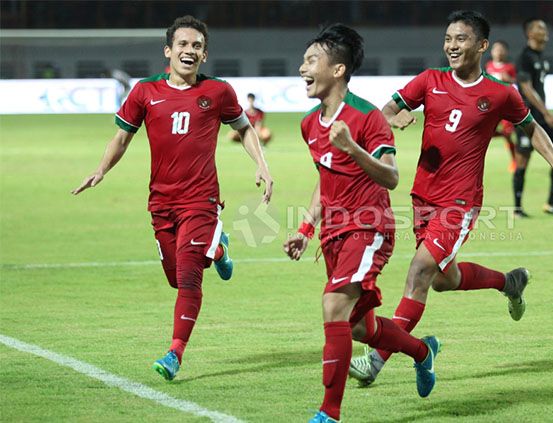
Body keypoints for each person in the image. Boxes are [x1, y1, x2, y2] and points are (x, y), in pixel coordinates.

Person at [348, 10, 553, 387]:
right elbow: (383, 111)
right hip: (423, 197)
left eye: (461, 39)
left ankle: (377, 359)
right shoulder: (429, 80)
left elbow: (532, 129)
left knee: (419, 271)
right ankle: (509, 282)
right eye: (448, 38)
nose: (452, 46)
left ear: (482, 45)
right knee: (443, 279)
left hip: (461, 202)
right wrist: (393, 119)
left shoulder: (500, 93)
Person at [72, 15, 273, 381]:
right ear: (168, 50)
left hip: (201, 200)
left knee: (189, 279)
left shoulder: (217, 92)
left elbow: (244, 129)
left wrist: (262, 165)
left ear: (204, 55)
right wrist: (101, 169)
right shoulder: (145, 92)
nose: (189, 51)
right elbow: (121, 138)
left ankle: (174, 353)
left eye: (197, 46)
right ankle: (220, 249)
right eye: (183, 44)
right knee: (174, 278)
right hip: (161, 202)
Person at [283, 24, 440, 423]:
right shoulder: (308, 124)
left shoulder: (367, 118)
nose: (303, 68)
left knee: (333, 306)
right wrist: (304, 229)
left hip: (369, 227)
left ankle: (328, 413)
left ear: (338, 69)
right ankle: (423, 352)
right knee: (358, 328)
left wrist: (352, 147)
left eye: (311, 60)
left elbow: (390, 176)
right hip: (332, 234)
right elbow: (325, 177)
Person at [513, 18, 553, 217]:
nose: (545, 31)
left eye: (545, 27)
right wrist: (546, 112)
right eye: (540, 28)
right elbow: (526, 88)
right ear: (529, 33)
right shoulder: (525, 57)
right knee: (523, 160)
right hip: (527, 116)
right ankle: (517, 208)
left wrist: (545, 112)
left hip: (542, 114)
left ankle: (551, 204)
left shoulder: (541, 57)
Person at [485, 40, 518, 173]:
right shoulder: (488, 66)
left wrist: (508, 79)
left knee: (509, 133)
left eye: (501, 49)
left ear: (505, 52)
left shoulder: (510, 67)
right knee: (487, 132)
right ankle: (505, 137)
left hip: (505, 105)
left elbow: (517, 84)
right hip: (491, 106)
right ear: (492, 52)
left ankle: (514, 160)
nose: (498, 52)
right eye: (495, 49)